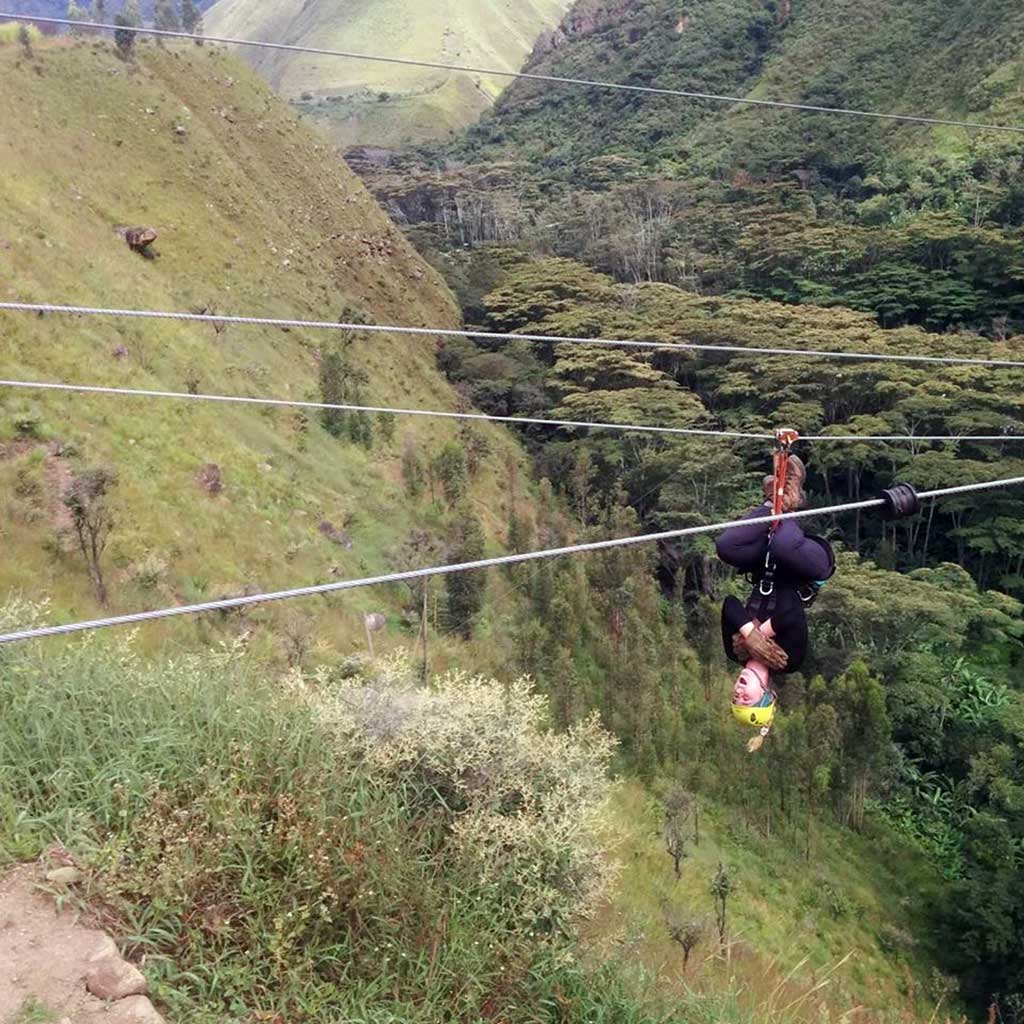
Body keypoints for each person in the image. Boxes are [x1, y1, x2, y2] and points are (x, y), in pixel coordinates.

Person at [716, 455, 835, 746]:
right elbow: (791, 610)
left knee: (726, 546)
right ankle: (789, 499)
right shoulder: (790, 660)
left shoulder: (736, 653)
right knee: (782, 545)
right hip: (807, 566)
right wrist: (758, 636)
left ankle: (776, 504)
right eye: (747, 700)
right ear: (766, 694)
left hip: (767, 566)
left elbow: (730, 604)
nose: (738, 694)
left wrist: (749, 636)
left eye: (736, 698)